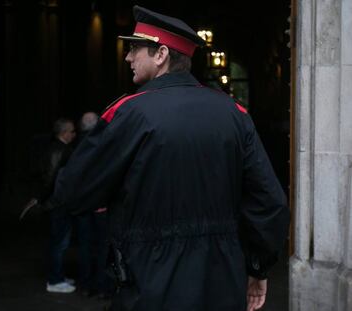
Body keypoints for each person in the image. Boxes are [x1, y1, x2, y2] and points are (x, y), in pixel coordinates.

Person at [31, 6, 290, 310]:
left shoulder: (129, 113)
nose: (128, 57)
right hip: (222, 283)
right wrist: (257, 267)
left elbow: (73, 190)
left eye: (134, 49)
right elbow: (270, 202)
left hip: (149, 282)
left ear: (161, 54)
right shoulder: (235, 114)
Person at [27, 118, 77, 293]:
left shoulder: (56, 149)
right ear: (63, 133)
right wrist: (40, 198)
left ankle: (58, 276)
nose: (74, 134)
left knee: (59, 242)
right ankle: (55, 280)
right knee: (59, 243)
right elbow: (50, 178)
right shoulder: (58, 151)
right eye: (71, 131)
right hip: (57, 203)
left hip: (57, 201)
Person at [73, 112, 113, 299]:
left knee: (85, 245)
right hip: (99, 204)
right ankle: (102, 286)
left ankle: (86, 285)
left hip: (82, 204)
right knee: (102, 246)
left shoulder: (74, 146)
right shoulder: (101, 144)